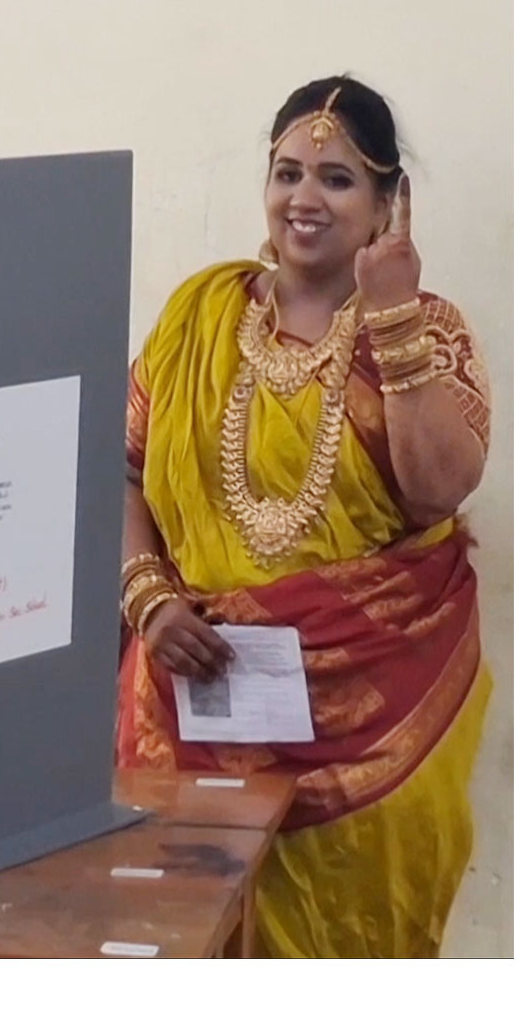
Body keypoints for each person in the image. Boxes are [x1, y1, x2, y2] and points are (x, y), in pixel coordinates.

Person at [116, 76, 493, 958]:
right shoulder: (199, 318)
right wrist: (149, 601)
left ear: (389, 202)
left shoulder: (428, 329)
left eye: (338, 179)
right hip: (193, 697)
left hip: (377, 724)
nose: (304, 199)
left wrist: (391, 313)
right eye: (288, 172)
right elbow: (121, 476)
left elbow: (440, 489)